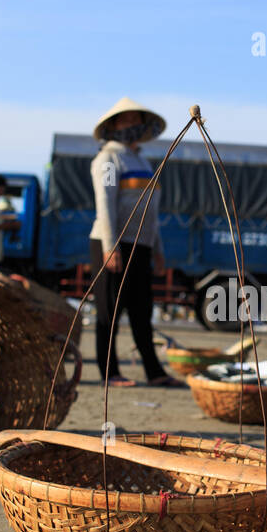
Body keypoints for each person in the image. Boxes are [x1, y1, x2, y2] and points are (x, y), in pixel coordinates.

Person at [89, 97, 181, 388]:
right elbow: (105, 204)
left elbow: (151, 211)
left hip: (141, 246)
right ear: (113, 125)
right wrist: (110, 245)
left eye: (135, 119)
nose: (131, 124)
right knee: (110, 311)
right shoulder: (107, 158)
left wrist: (157, 248)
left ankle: (154, 372)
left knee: (142, 311)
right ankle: (109, 372)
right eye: (125, 119)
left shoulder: (141, 160)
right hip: (114, 244)